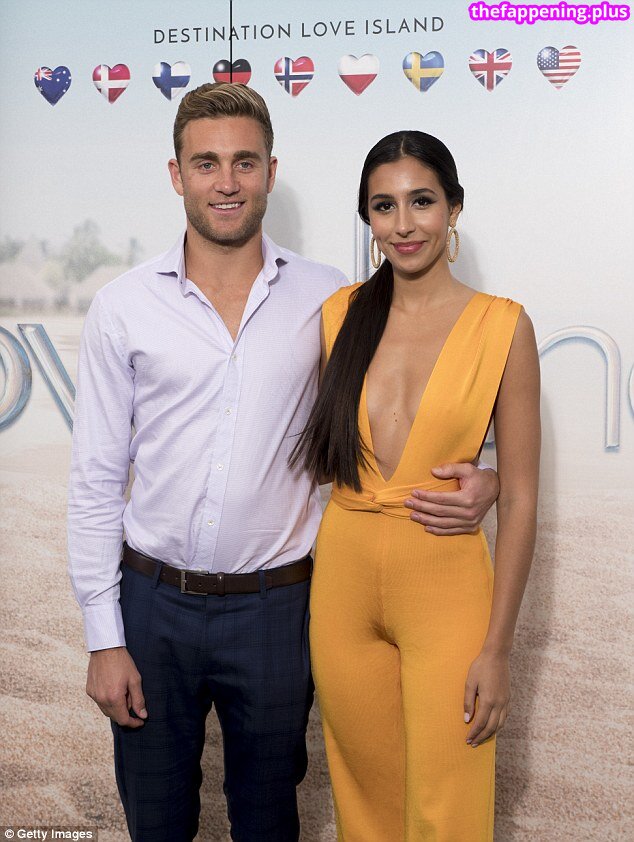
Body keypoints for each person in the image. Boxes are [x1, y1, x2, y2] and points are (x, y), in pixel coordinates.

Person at [67, 84, 501, 842]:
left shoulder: (332, 298)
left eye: (244, 162)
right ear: (176, 174)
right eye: (206, 163)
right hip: (151, 606)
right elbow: (96, 482)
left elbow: (427, 386)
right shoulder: (122, 306)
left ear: (271, 172)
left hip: (277, 611)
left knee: (269, 820)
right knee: (156, 821)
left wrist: (488, 473)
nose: (226, 182)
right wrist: (105, 637)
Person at [291, 130, 540, 841]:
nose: (404, 224)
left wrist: (498, 650)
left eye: (422, 201)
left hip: (447, 588)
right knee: (364, 804)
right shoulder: (338, 315)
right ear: (367, 219)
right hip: (341, 589)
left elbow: (523, 498)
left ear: (454, 208)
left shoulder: (503, 326)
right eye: (384, 206)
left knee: (448, 807)